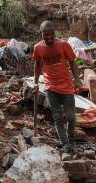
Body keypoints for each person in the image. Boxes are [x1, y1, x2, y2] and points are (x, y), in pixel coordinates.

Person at [33, 20, 82, 152]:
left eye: (51, 34)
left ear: (55, 33)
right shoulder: (38, 48)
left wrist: (77, 79)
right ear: (41, 33)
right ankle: (65, 143)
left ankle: (71, 137)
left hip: (66, 86)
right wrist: (35, 83)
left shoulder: (64, 45)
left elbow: (72, 62)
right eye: (46, 34)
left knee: (71, 117)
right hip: (50, 87)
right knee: (57, 117)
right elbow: (37, 64)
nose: (49, 37)